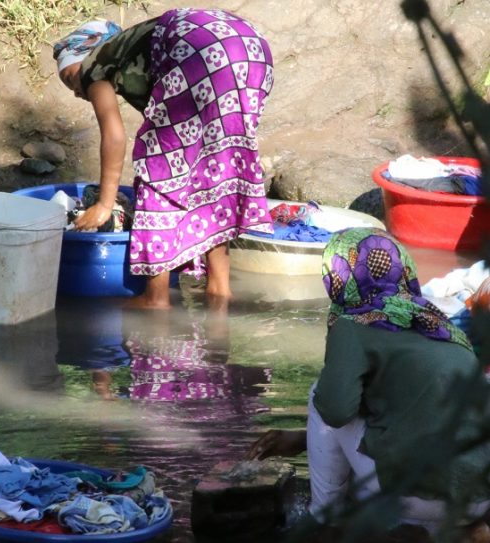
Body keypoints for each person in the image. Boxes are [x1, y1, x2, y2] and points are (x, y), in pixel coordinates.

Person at [247, 227, 490, 537]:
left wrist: (305, 436)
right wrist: (301, 438)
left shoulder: (353, 324)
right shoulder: (438, 322)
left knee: (319, 394)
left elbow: (334, 411)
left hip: (419, 492)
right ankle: (454, 528)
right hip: (479, 494)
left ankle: (324, 518)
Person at [53, 8, 274, 309]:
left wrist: (105, 205)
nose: (77, 91)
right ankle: (220, 291)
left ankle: (155, 297)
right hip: (252, 50)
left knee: (161, 165)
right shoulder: (137, 55)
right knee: (216, 167)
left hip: (201, 52)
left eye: (70, 77)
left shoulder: (96, 63)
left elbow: (115, 137)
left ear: (85, 54)